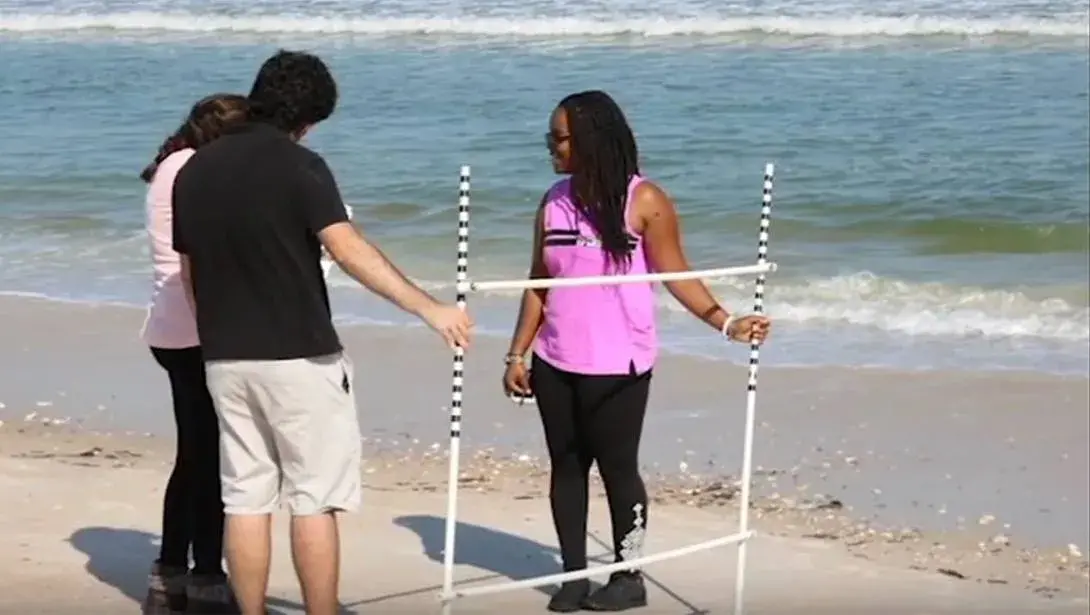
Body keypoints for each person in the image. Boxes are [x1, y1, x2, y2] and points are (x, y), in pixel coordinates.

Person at [170, 50, 473, 615]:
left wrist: (215, 334)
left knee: (245, 497)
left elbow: (191, 273)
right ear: (306, 119)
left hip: (225, 356)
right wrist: (430, 308)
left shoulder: (194, 170)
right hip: (299, 355)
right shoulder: (300, 167)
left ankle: (251, 610)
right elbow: (348, 248)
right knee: (314, 500)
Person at [501, 90, 772, 613]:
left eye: (558, 138)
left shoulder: (644, 200)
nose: (550, 147)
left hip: (617, 364)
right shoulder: (552, 199)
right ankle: (574, 575)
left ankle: (628, 576)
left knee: (617, 467)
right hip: (555, 360)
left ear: (589, 140)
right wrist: (517, 354)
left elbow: (677, 275)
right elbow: (539, 281)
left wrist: (726, 322)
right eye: (550, 138)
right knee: (566, 466)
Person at [139, 93, 250, 615]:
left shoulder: (176, 163)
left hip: (173, 323)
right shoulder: (195, 168)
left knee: (196, 453)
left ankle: (171, 571)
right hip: (194, 324)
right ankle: (203, 574)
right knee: (207, 456)